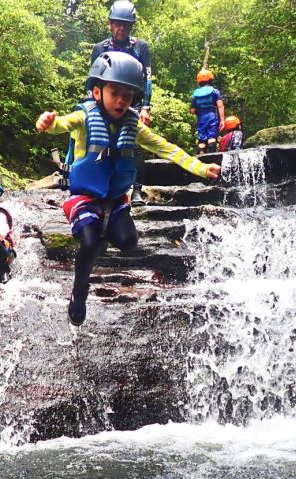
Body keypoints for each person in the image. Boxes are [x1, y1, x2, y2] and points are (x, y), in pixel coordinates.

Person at [36, 52, 222, 326]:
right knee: (90, 242)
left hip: (115, 201)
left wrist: (202, 169)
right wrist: (49, 123)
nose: (121, 100)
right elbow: (61, 124)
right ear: (97, 92)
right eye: (114, 93)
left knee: (128, 242)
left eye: (127, 95)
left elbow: (167, 149)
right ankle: (79, 293)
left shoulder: (133, 126)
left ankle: (103, 233)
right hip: (85, 197)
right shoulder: (84, 117)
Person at [90, 1, 152, 206]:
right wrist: (92, 104)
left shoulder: (140, 47)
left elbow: (147, 78)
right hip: (106, 102)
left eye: (126, 24)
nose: (121, 28)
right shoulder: (100, 48)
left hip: (133, 101)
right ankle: (101, 184)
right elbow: (94, 79)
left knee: (135, 143)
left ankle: (137, 189)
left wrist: (146, 107)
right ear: (110, 24)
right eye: (117, 23)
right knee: (101, 140)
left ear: (131, 26)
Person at [191, 69, 224, 154]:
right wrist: (222, 120)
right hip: (212, 116)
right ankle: (212, 156)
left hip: (201, 118)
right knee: (212, 138)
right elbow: (220, 106)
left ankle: (202, 155)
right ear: (210, 79)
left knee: (202, 139)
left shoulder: (196, 94)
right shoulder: (215, 91)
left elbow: (192, 110)